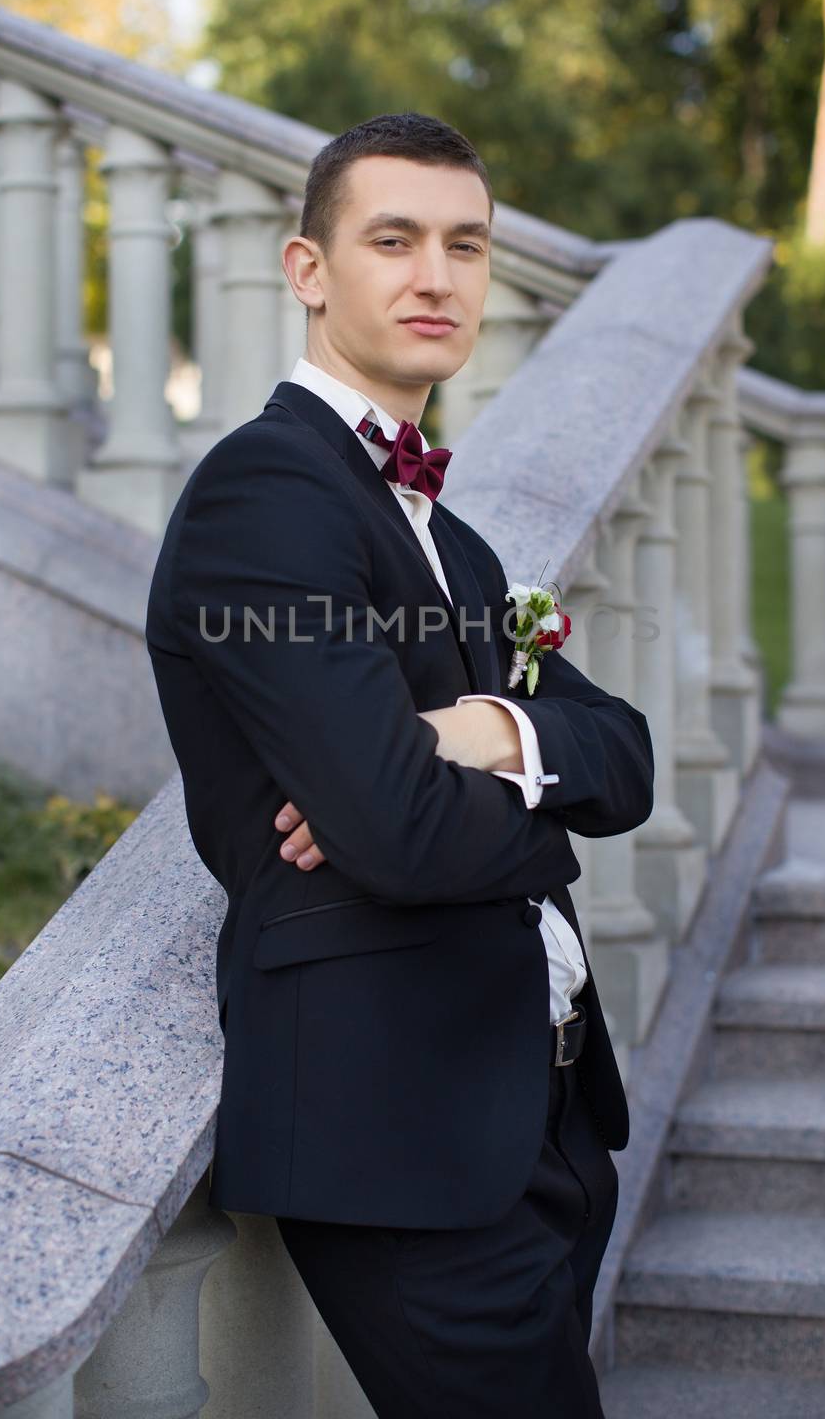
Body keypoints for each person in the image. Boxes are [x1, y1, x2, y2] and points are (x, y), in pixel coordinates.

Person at [145, 111, 654, 1418]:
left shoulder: (457, 544)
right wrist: (534, 814)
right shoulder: (270, 493)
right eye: (394, 239)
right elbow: (392, 831)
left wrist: (486, 730)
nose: (437, 276)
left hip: (541, 1111)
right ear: (309, 269)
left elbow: (630, 755)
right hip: (403, 1132)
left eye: (465, 245)